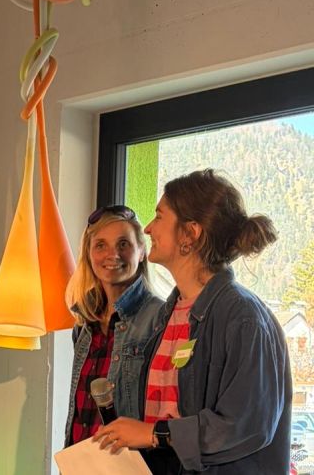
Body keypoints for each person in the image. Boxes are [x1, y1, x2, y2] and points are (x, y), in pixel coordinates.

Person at [93, 169, 291, 474]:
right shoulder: (169, 313)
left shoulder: (244, 317)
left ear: (190, 233)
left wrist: (154, 433)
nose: (148, 228)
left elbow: (247, 426)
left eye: (159, 216)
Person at [63, 205, 164, 447]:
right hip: (80, 457)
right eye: (101, 245)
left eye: (123, 244)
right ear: (89, 253)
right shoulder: (85, 323)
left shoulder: (159, 318)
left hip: (126, 459)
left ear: (142, 251)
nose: (113, 255)